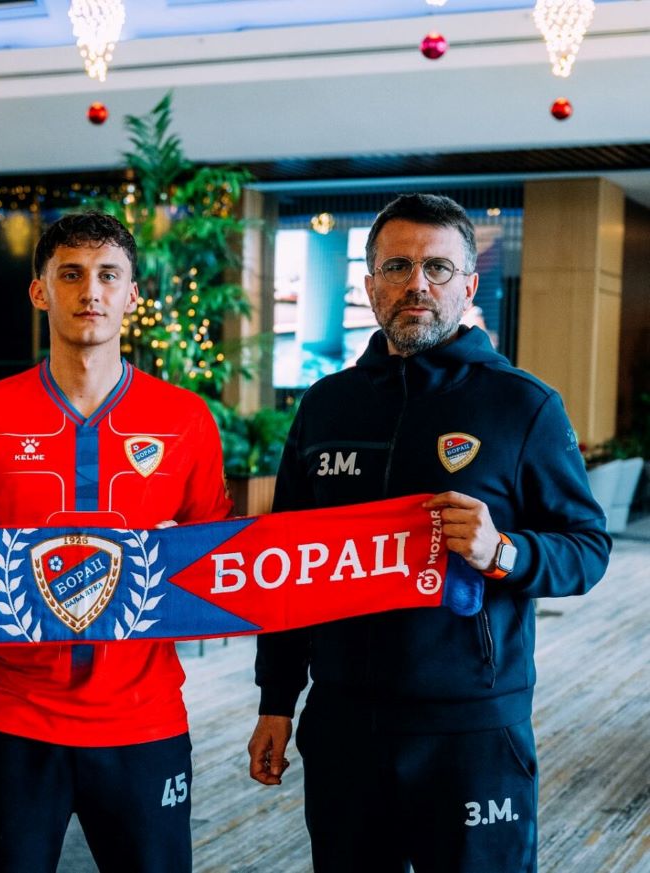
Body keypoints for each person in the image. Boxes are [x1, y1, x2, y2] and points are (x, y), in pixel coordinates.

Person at [247, 193, 611, 873]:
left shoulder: (523, 404)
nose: (418, 283)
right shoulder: (326, 406)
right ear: (370, 285)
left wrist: (504, 550)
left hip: (471, 727)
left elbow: (588, 549)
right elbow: (288, 567)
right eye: (398, 266)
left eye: (438, 268)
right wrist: (276, 701)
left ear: (468, 286)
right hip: (344, 724)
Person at [0, 211, 233, 872]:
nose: (90, 291)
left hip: (144, 721)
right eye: (70, 274)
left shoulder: (185, 419)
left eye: (107, 275)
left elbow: (220, 568)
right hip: (14, 721)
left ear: (132, 294)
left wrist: (188, 558)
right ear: (39, 291)